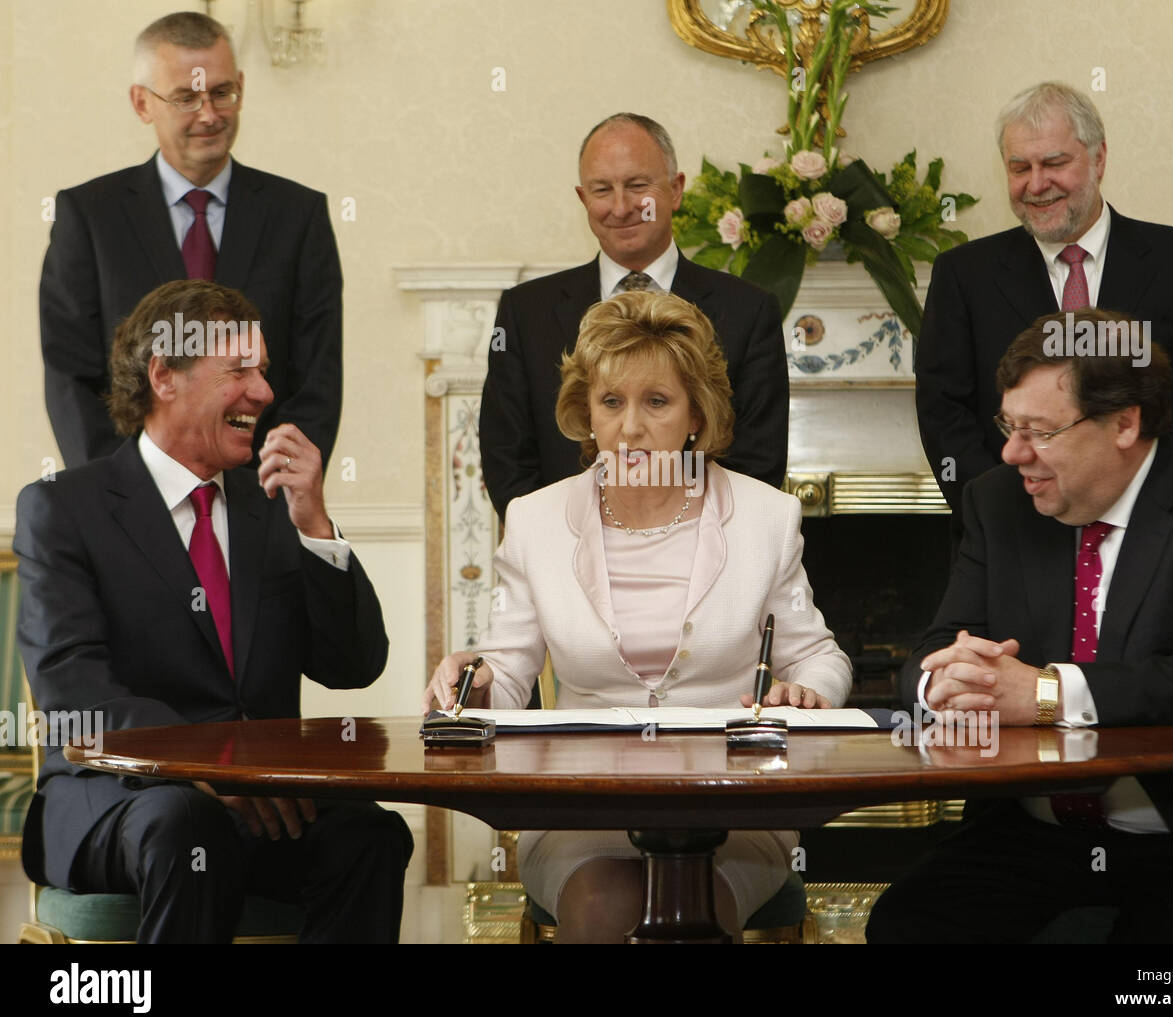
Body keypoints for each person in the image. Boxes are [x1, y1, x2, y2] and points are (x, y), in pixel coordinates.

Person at [427, 290, 849, 942]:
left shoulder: (766, 517)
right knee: (601, 904)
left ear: (696, 415)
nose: (630, 427)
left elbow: (821, 656)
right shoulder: (536, 521)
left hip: (731, 805)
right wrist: (476, 682)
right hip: (579, 804)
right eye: (611, 402)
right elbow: (507, 669)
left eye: (657, 401)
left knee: (694, 903)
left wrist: (806, 691)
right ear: (585, 413)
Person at [867, 309, 1173, 943]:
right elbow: (935, 648)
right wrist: (946, 684)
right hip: (1035, 831)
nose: (1015, 453)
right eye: (1009, 427)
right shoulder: (999, 502)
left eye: (1039, 431)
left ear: (1126, 423)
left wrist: (1044, 695)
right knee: (906, 927)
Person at [15, 279, 411, 943]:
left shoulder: (275, 506)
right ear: (165, 376)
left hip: (260, 801)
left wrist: (314, 522)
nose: (262, 391)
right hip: (116, 795)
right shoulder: (65, 509)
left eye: (264, 371)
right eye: (240, 370)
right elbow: (70, 686)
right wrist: (212, 767)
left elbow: (355, 664)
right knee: (186, 824)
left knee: (370, 834)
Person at [915, 81, 1173, 533]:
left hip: (1155, 536)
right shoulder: (962, 275)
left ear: (1099, 158)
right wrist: (1009, 514)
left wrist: (1152, 515)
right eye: (1019, 167)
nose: (1036, 184)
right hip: (1010, 539)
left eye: (1054, 163)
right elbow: (943, 412)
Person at [41, 11, 343, 469]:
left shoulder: (298, 216)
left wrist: (279, 486)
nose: (209, 115)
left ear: (240, 87)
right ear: (143, 104)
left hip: (260, 500)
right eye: (186, 97)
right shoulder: (89, 216)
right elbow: (72, 377)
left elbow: (316, 377)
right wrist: (118, 496)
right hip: (126, 504)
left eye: (222, 93)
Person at [479, 112, 789, 521]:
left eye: (638, 186)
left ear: (676, 190)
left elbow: (758, 464)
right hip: (565, 558)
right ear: (583, 198)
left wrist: (683, 542)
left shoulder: (750, 310)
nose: (621, 207)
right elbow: (507, 460)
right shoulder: (523, 312)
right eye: (602, 189)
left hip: (707, 558)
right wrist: (559, 544)